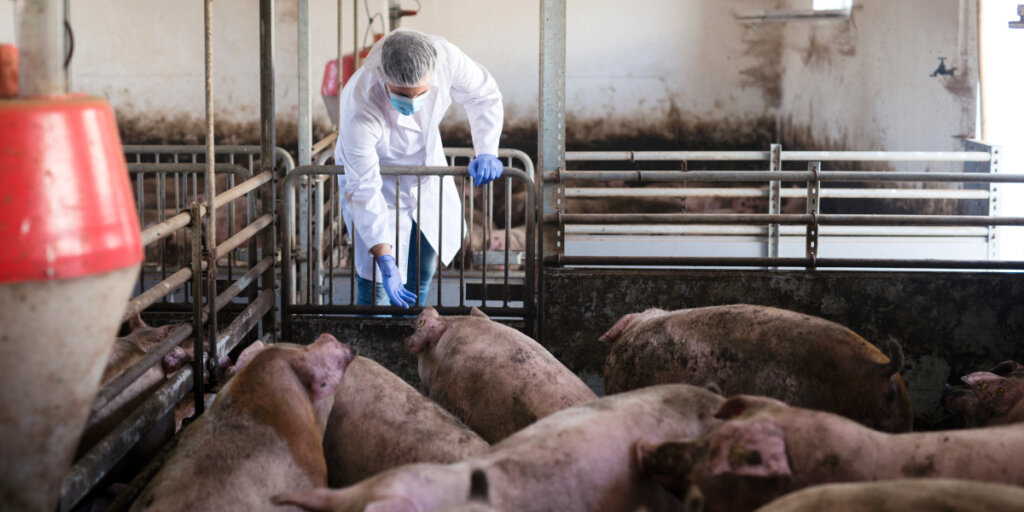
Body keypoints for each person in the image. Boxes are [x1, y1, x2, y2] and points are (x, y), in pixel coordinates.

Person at [334, 28, 503, 308]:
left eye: (420, 93)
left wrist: (486, 149)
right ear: (383, 79)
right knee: (375, 284)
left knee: (423, 271)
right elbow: (364, 188)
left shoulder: (445, 57)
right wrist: (385, 259)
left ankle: (412, 338)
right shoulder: (359, 104)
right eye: (401, 94)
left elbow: (483, 95)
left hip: (428, 178)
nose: (412, 102)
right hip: (379, 183)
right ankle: (373, 339)